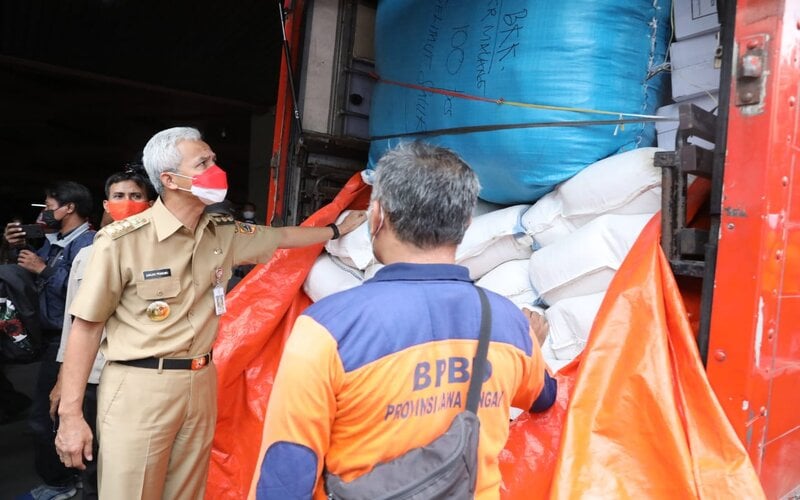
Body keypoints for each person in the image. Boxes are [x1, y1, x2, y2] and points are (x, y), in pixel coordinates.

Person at [54, 127, 366, 500]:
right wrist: (71, 415)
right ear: (169, 179)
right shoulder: (122, 243)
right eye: (202, 163)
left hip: (201, 381)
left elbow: (282, 237)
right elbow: (86, 329)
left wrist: (334, 229)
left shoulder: (222, 233)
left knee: (188, 492)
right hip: (140, 385)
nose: (215, 169)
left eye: (213, 160)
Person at [253, 142, 557, 499]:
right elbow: (544, 396)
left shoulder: (327, 328)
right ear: (466, 223)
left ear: (378, 216)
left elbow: (286, 472)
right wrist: (526, 345)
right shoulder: (507, 323)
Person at [49, 167, 157, 500]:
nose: (127, 202)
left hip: (139, 378)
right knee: (93, 463)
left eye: (136, 196)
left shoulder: (161, 252)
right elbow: (76, 324)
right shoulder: (90, 253)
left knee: (131, 462)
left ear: (151, 203)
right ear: (107, 205)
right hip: (94, 375)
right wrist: (64, 380)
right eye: (119, 196)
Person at [4, 181, 96, 500]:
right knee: (53, 413)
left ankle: (62, 483)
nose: (45, 212)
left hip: (70, 339)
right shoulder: (54, 242)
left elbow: (84, 296)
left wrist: (42, 269)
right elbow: (28, 279)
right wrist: (16, 247)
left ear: (68, 208)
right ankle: (72, 477)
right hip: (51, 339)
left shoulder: (90, 243)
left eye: (49, 206)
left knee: (47, 417)